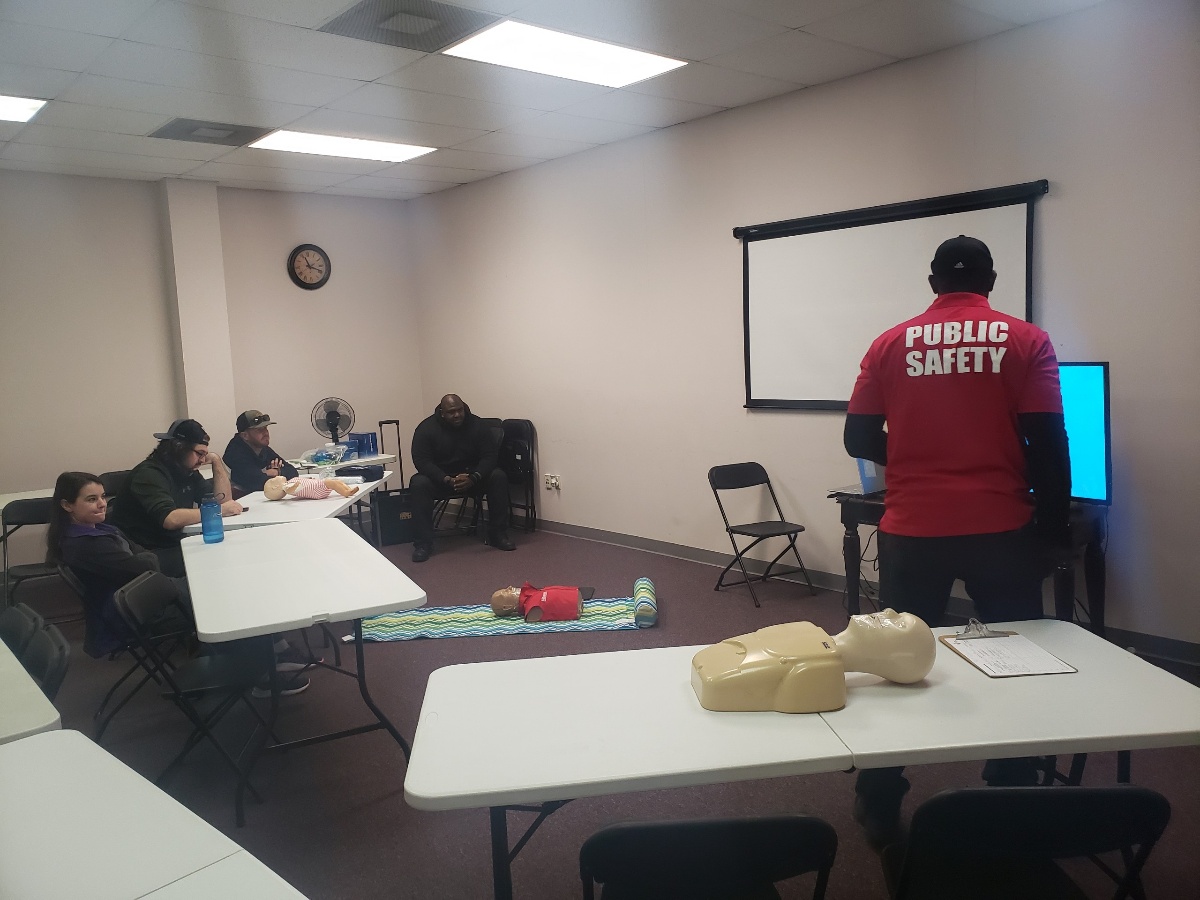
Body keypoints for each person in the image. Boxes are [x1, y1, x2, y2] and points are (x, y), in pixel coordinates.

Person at [843, 235, 1072, 847]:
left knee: (894, 671)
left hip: (913, 530)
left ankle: (880, 796)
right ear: (992, 281)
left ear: (934, 281)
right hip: (1000, 530)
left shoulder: (888, 343)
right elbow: (1049, 441)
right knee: (1017, 665)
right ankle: (1011, 789)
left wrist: (918, 455)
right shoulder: (1026, 341)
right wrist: (1053, 528)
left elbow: (859, 438)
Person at [46, 471, 174, 657]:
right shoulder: (88, 544)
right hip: (135, 611)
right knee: (204, 596)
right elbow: (146, 566)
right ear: (67, 505)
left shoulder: (99, 528)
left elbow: (140, 554)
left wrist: (143, 558)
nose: (102, 504)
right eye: (92, 499)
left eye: (103, 496)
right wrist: (144, 558)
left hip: (140, 594)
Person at [108, 418, 242, 578]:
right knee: (217, 560)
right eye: (199, 453)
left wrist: (216, 461)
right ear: (179, 447)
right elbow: (170, 519)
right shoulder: (149, 474)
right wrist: (219, 510)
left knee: (226, 551)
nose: (201, 460)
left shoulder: (186, 470)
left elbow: (223, 501)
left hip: (172, 542)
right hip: (148, 553)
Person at [409, 394, 514, 562]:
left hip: (473, 478)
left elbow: (490, 456)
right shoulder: (426, 428)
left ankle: (497, 534)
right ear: (442, 413)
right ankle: (423, 544)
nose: (457, 415)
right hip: (442, 480)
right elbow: (421, 460)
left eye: (460, 410)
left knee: (498, 476)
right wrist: (445, 478)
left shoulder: (478, 425)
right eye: (451, 412)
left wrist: (474, 476)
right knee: (418, 483)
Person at [223, 410, 298, 497]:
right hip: (240, 502)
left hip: (258, 498)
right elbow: (257, 483)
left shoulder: (261, 447)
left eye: (266, 428)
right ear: (245, 436)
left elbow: (293, 472)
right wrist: (275, 475)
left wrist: (275, 472)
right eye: (259, 430)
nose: (266, 433)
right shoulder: (235, 453)